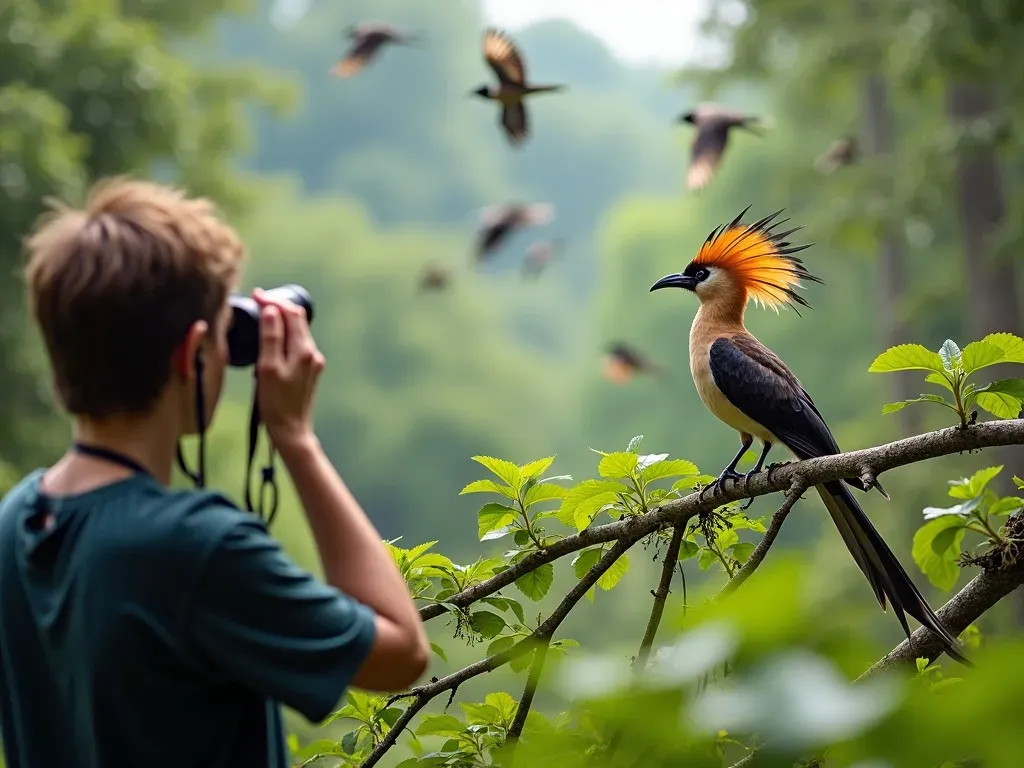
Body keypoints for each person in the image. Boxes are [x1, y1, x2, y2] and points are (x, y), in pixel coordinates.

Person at [0, 178, 430, 767]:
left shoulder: (15, 524)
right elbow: (402, 652)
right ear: (191, 353)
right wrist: (297, 440)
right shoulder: (193, 549)